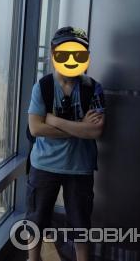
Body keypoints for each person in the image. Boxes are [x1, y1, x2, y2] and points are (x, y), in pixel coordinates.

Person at [26, 27, 105, 261]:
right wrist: (80, 126)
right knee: (36, 218)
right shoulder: (43, 87)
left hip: (80, 167)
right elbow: (35, 128)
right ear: (54, 53)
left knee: (81, 223)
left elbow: (96, 130)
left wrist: (54, 120)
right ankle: (33, 259)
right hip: (44, 165)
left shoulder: (92, 88)